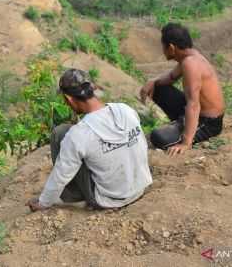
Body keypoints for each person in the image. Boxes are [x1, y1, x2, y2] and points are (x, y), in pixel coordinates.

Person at [28, 69, 152, 212]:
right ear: (93, 88)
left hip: (109, 200)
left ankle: (74, 197)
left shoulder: (79, 133)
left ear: (69, 99)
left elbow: (61, 174)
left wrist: (43, 203)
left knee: (60, 133)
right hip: (140, 187)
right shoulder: (125, 110)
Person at [140, 23, 225, 155]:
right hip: (196, 112)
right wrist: (152, 82)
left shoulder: (190, 64)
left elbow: (193, 105)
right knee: (159, 88)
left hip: (208, 122)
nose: (162, 50)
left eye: (163, 46)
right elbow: (171, 77)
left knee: (158, 137)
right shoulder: (189, 57)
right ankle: (179, 124)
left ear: (171, 48)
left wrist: (186, 142)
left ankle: (183, 129)